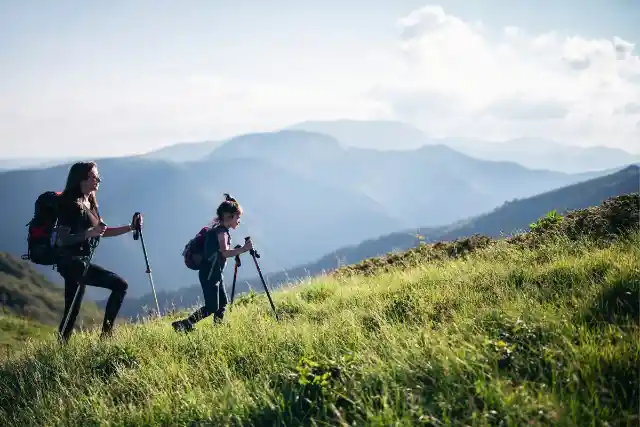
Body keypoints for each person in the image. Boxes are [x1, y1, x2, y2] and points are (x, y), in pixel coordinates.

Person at [54, 161, 142, 343]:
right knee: (120, 285)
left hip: (79, 263)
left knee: (73, 308)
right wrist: (89, 233)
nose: (98, 180)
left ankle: (61, 346)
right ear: (82, 179)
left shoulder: (90, 202)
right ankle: (106, 337)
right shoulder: (71, 204)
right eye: (94, 176)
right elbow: (62, 239)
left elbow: (103, 231)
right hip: (71, 263)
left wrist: (130, 227)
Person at [172, 193, 253, 333]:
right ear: (229, 217)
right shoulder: (222, 233)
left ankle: (218, 330)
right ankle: (184, 324)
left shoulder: (219, 230)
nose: (239, 221)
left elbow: (222, 252)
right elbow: (225, 252)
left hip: (213, 273)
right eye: (238, 217)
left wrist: (238, 251)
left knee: (222, 303)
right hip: (209, 275)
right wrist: (244, 249)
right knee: (212, 306)